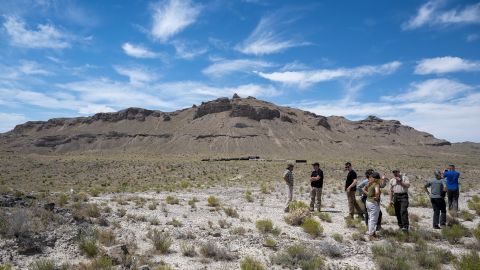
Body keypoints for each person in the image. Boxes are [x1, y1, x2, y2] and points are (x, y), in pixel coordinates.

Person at [363, 172, 381, 240]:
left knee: (370, 218)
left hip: (368, 202)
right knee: (373, 219)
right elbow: (377, 192)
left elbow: (363, 189)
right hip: (373, 203)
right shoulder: (376, 184)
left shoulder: (369, 184)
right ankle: (371, 234)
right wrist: (376, 197)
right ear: (376, 179)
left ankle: (372, 232)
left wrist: (369, 195)